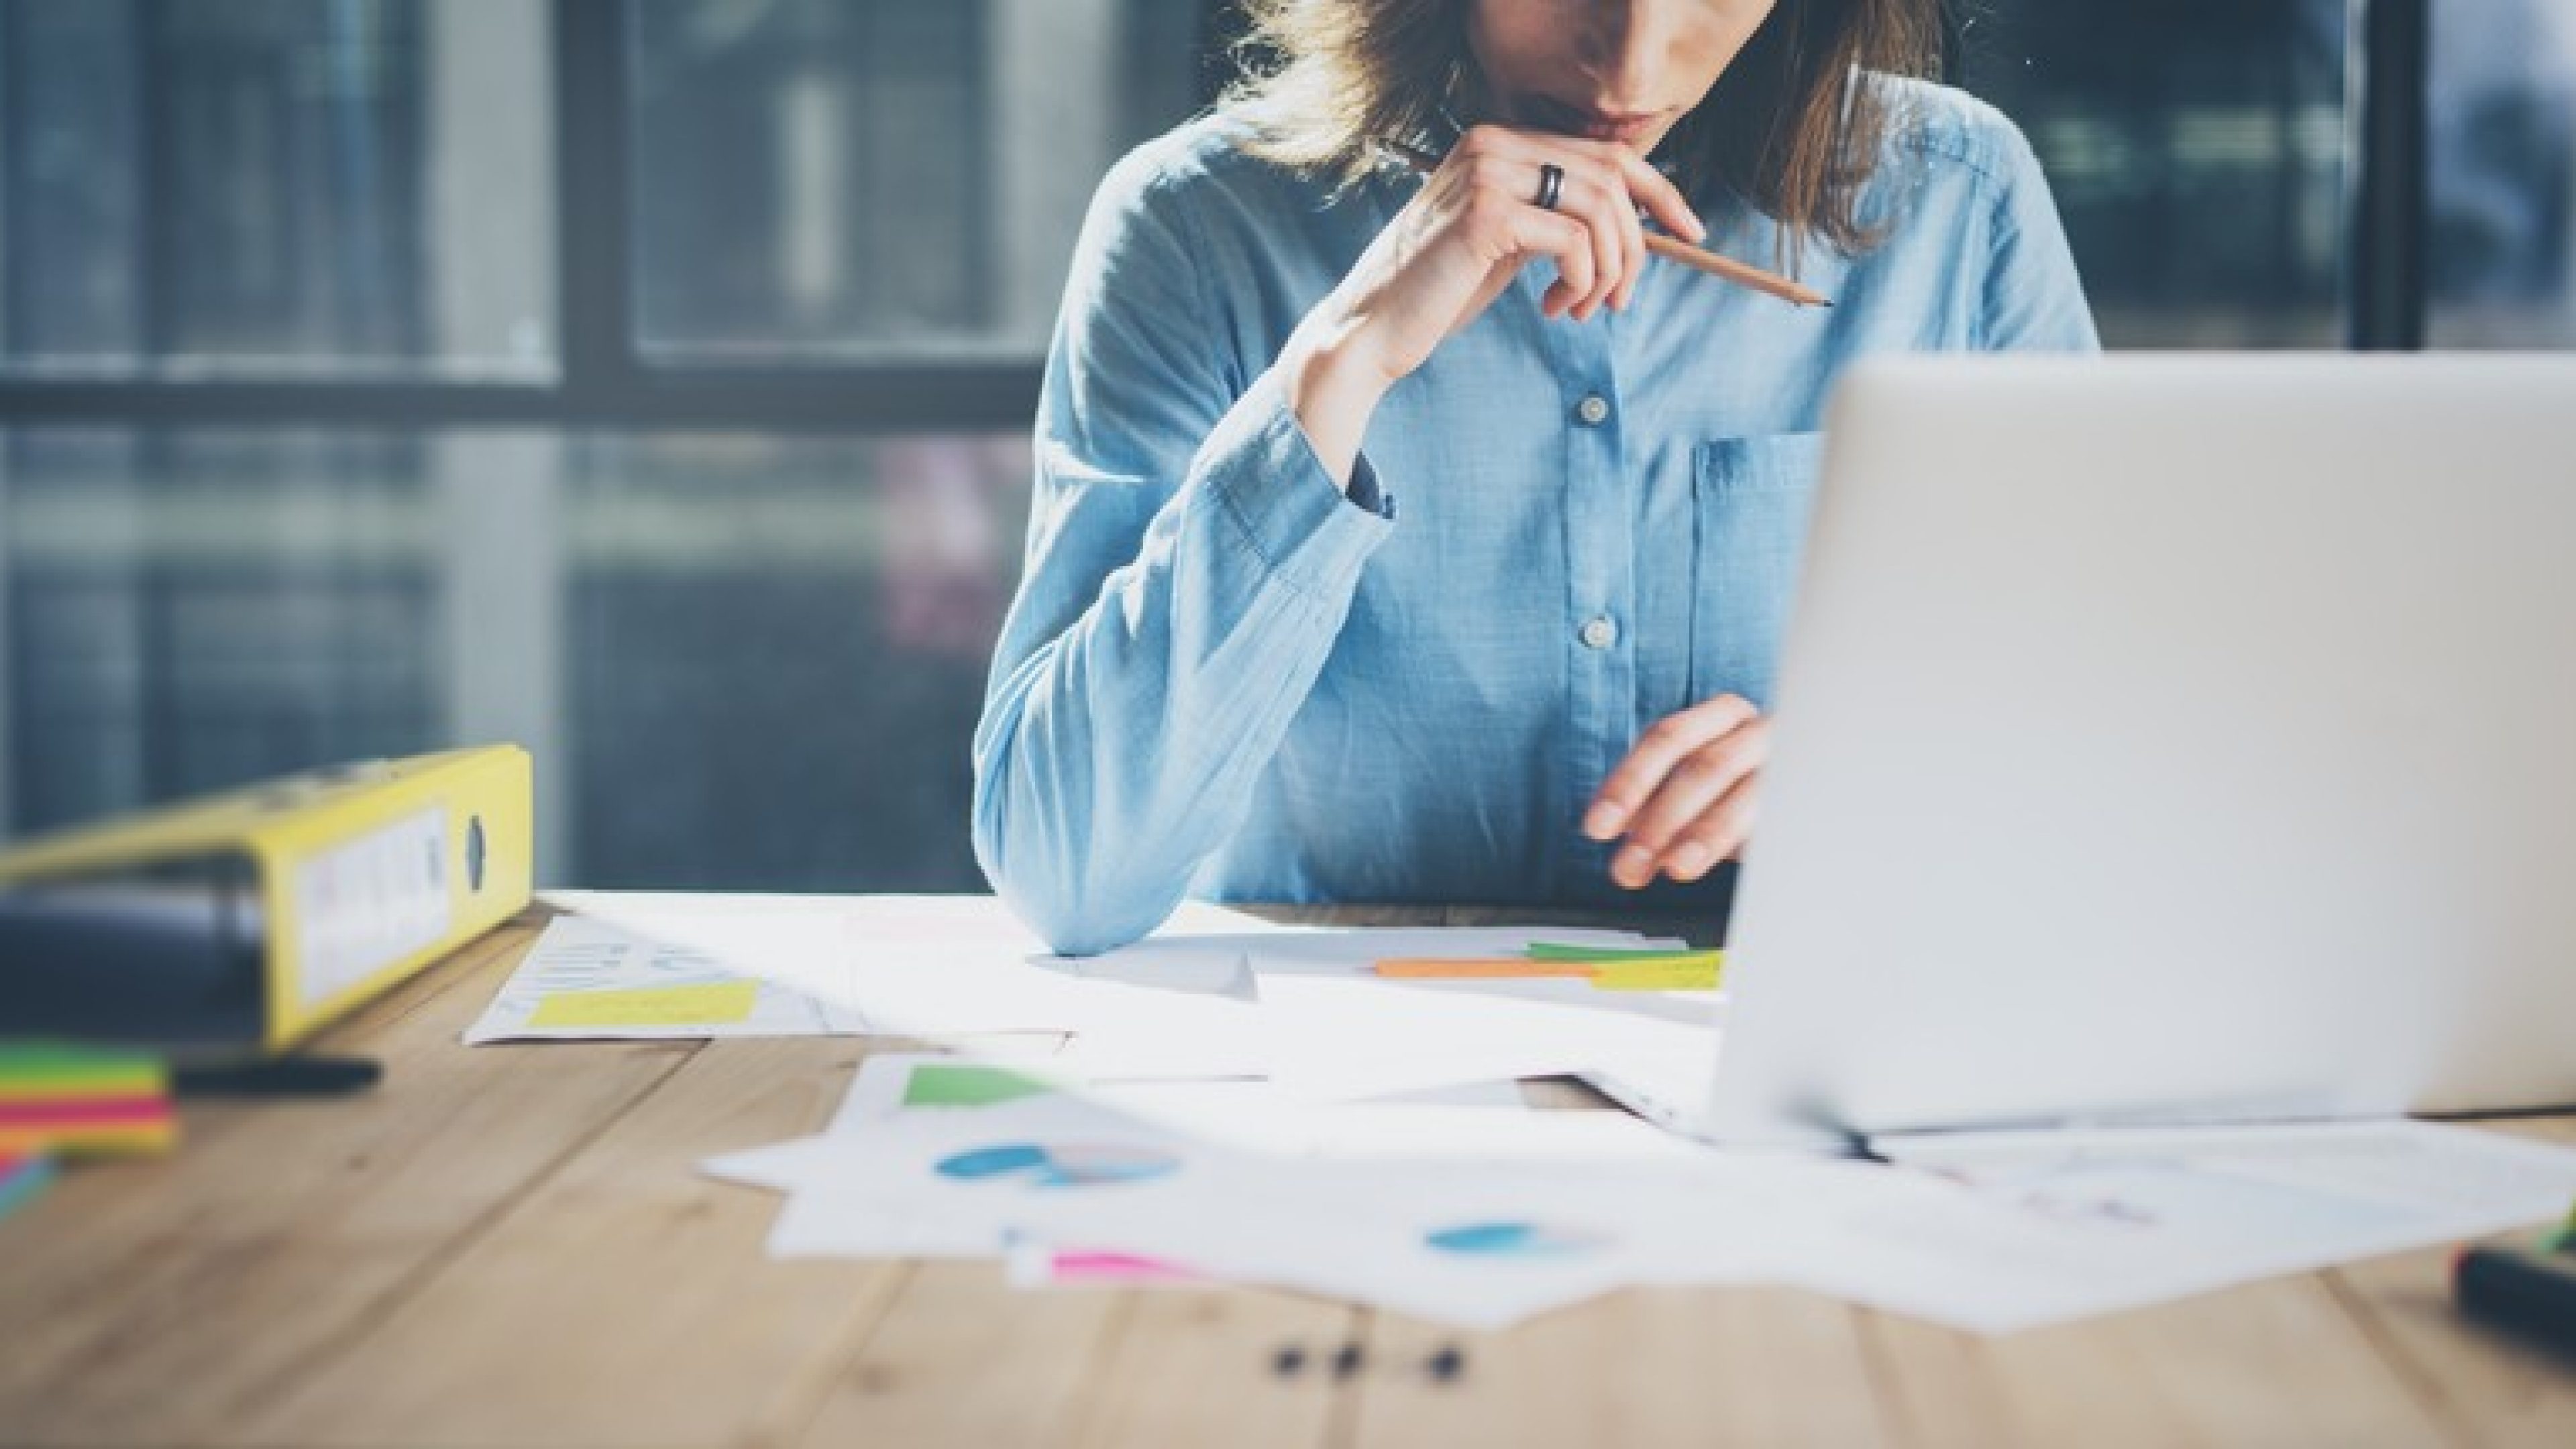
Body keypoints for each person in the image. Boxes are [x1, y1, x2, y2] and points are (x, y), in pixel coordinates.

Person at [972, 0, 2098, 955]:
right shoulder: (1195, 228)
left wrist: (1885, 775)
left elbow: (2113, 772)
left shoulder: (1962, 203)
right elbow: (1064, 870)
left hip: (1790, 1076)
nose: (1633, 65)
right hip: (1340, 1107)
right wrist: (1344, 362)